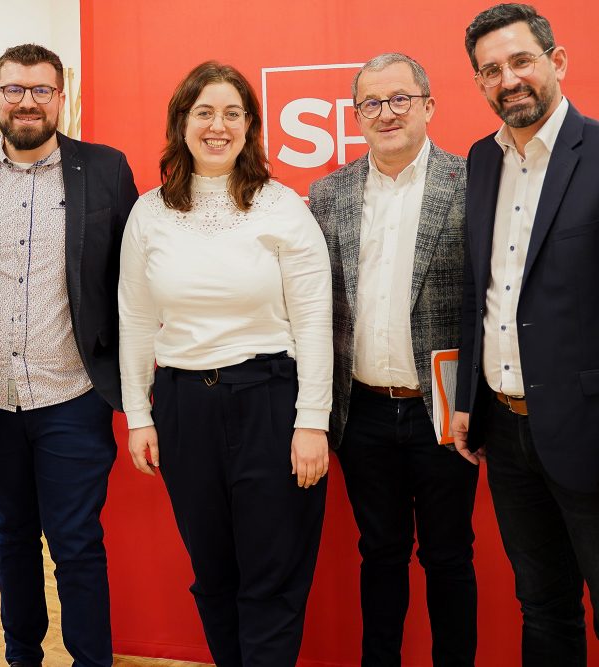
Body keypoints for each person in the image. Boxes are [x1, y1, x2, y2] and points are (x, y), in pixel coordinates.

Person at [119, 61, 332, 666]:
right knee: (213, 574)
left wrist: (311, 420)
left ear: (250, 126)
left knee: (272, 575)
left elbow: (314, 319)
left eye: (232, 113)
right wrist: (139, 414)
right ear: (181, 123)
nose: (218, 126)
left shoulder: (283, 207)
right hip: (185, 408)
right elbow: (135, 319)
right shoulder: (149, 213)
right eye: (204, 112)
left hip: (270, 399)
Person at [0, 43, 137, 667]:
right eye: (15, 89)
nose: (27, 101)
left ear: (61, 95)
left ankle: (91, 661)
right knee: (11, 538)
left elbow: (130, 280)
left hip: (72, 396)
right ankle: (21, 655)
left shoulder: (105, 169)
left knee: (77, 542)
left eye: (41, 90)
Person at [309, 53, 477, 666]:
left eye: (400, 98)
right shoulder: (327, 193)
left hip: (445, 411)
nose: (387, 113)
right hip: (364, 414)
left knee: (449, 556)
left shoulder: (471, 182)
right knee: (379, 553)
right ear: (355, 116)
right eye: (372, 103)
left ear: (428, 105)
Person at [452, 4, 599, 665]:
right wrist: (466, 402)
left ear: (557, 61)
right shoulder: (482, 161)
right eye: (490, 70)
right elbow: (479, 293)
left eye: (520, 61)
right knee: (543, 606)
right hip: (506, 433)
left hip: (590, 427)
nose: (507, 79)